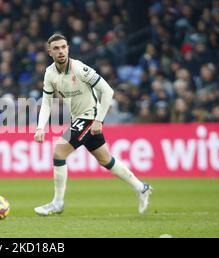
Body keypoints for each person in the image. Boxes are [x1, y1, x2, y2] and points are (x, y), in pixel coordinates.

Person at [34, 34, 152, 216]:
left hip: (89, 118)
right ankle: (141, 187)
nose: (61, 51)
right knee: (105, 159)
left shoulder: (79, 68)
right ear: (50, 52)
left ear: (68, 48)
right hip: (79, 119)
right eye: (56, 48)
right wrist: (40, 127)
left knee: (59, 151)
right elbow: (47, 103)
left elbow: (107, 91)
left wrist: (99, 120)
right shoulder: (50, 73)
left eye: (63, 47)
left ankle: (57, 203)